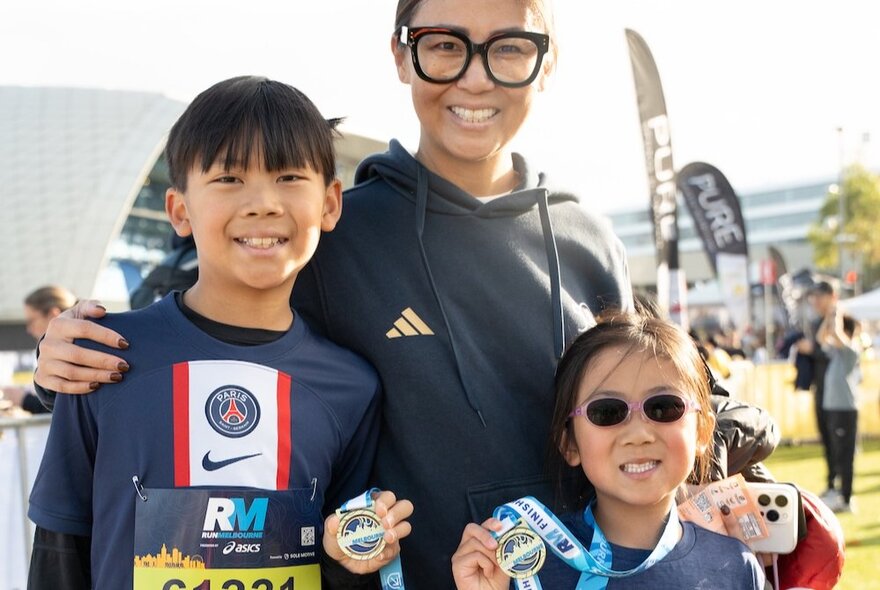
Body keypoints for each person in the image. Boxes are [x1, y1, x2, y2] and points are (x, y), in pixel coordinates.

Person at [29, 1, 775, 587]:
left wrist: (751, 463)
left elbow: (681, 392)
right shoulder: (336, 233)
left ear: (546, 63)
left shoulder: (587, 238)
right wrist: (64, 347)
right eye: (447, 44)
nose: (476, 79)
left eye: (509, 47)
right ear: (402, 51)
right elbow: (201, 309)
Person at [27, 76, 411, 589]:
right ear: (180, 211)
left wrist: (352, 557)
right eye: (229, 178)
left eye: (290, 176)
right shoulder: (100, 356)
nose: (262, 203)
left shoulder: (351, 386)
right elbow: (60, 544)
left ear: (331, 203)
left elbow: (343, 555)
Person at [451, 312, 766, 588]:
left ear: (702, 431)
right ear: (569, 444)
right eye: (607, 412)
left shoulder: (735, 566)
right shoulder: (527, 565)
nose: (639, 434)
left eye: (664, 407)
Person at [3, 285, 77, 414]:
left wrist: (25, 400)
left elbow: (69, 407)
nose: (29, 329)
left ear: (53, 315)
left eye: (32, 321)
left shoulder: (74, 348)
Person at [796, 280, 838, 498]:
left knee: (838, 440)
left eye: (819, 297)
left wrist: (813, 350)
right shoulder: (815, 323)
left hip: (838, 393)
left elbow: (839, 354)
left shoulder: (840, 321)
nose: (815, 301)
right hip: (820, 389)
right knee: (827, 439)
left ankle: (840, 488)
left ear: (831, 296)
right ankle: (832, 484)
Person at [816, 309, 861, 513]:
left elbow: (836, 334)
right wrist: (828, 317)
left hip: (845, 410)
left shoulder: (851, 351)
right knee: (835, 452)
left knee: (845, 455)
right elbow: (821, 337)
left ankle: (846, 497)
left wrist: (837, 314)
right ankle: (839, 493)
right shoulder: (836, 352)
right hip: (833, 408)